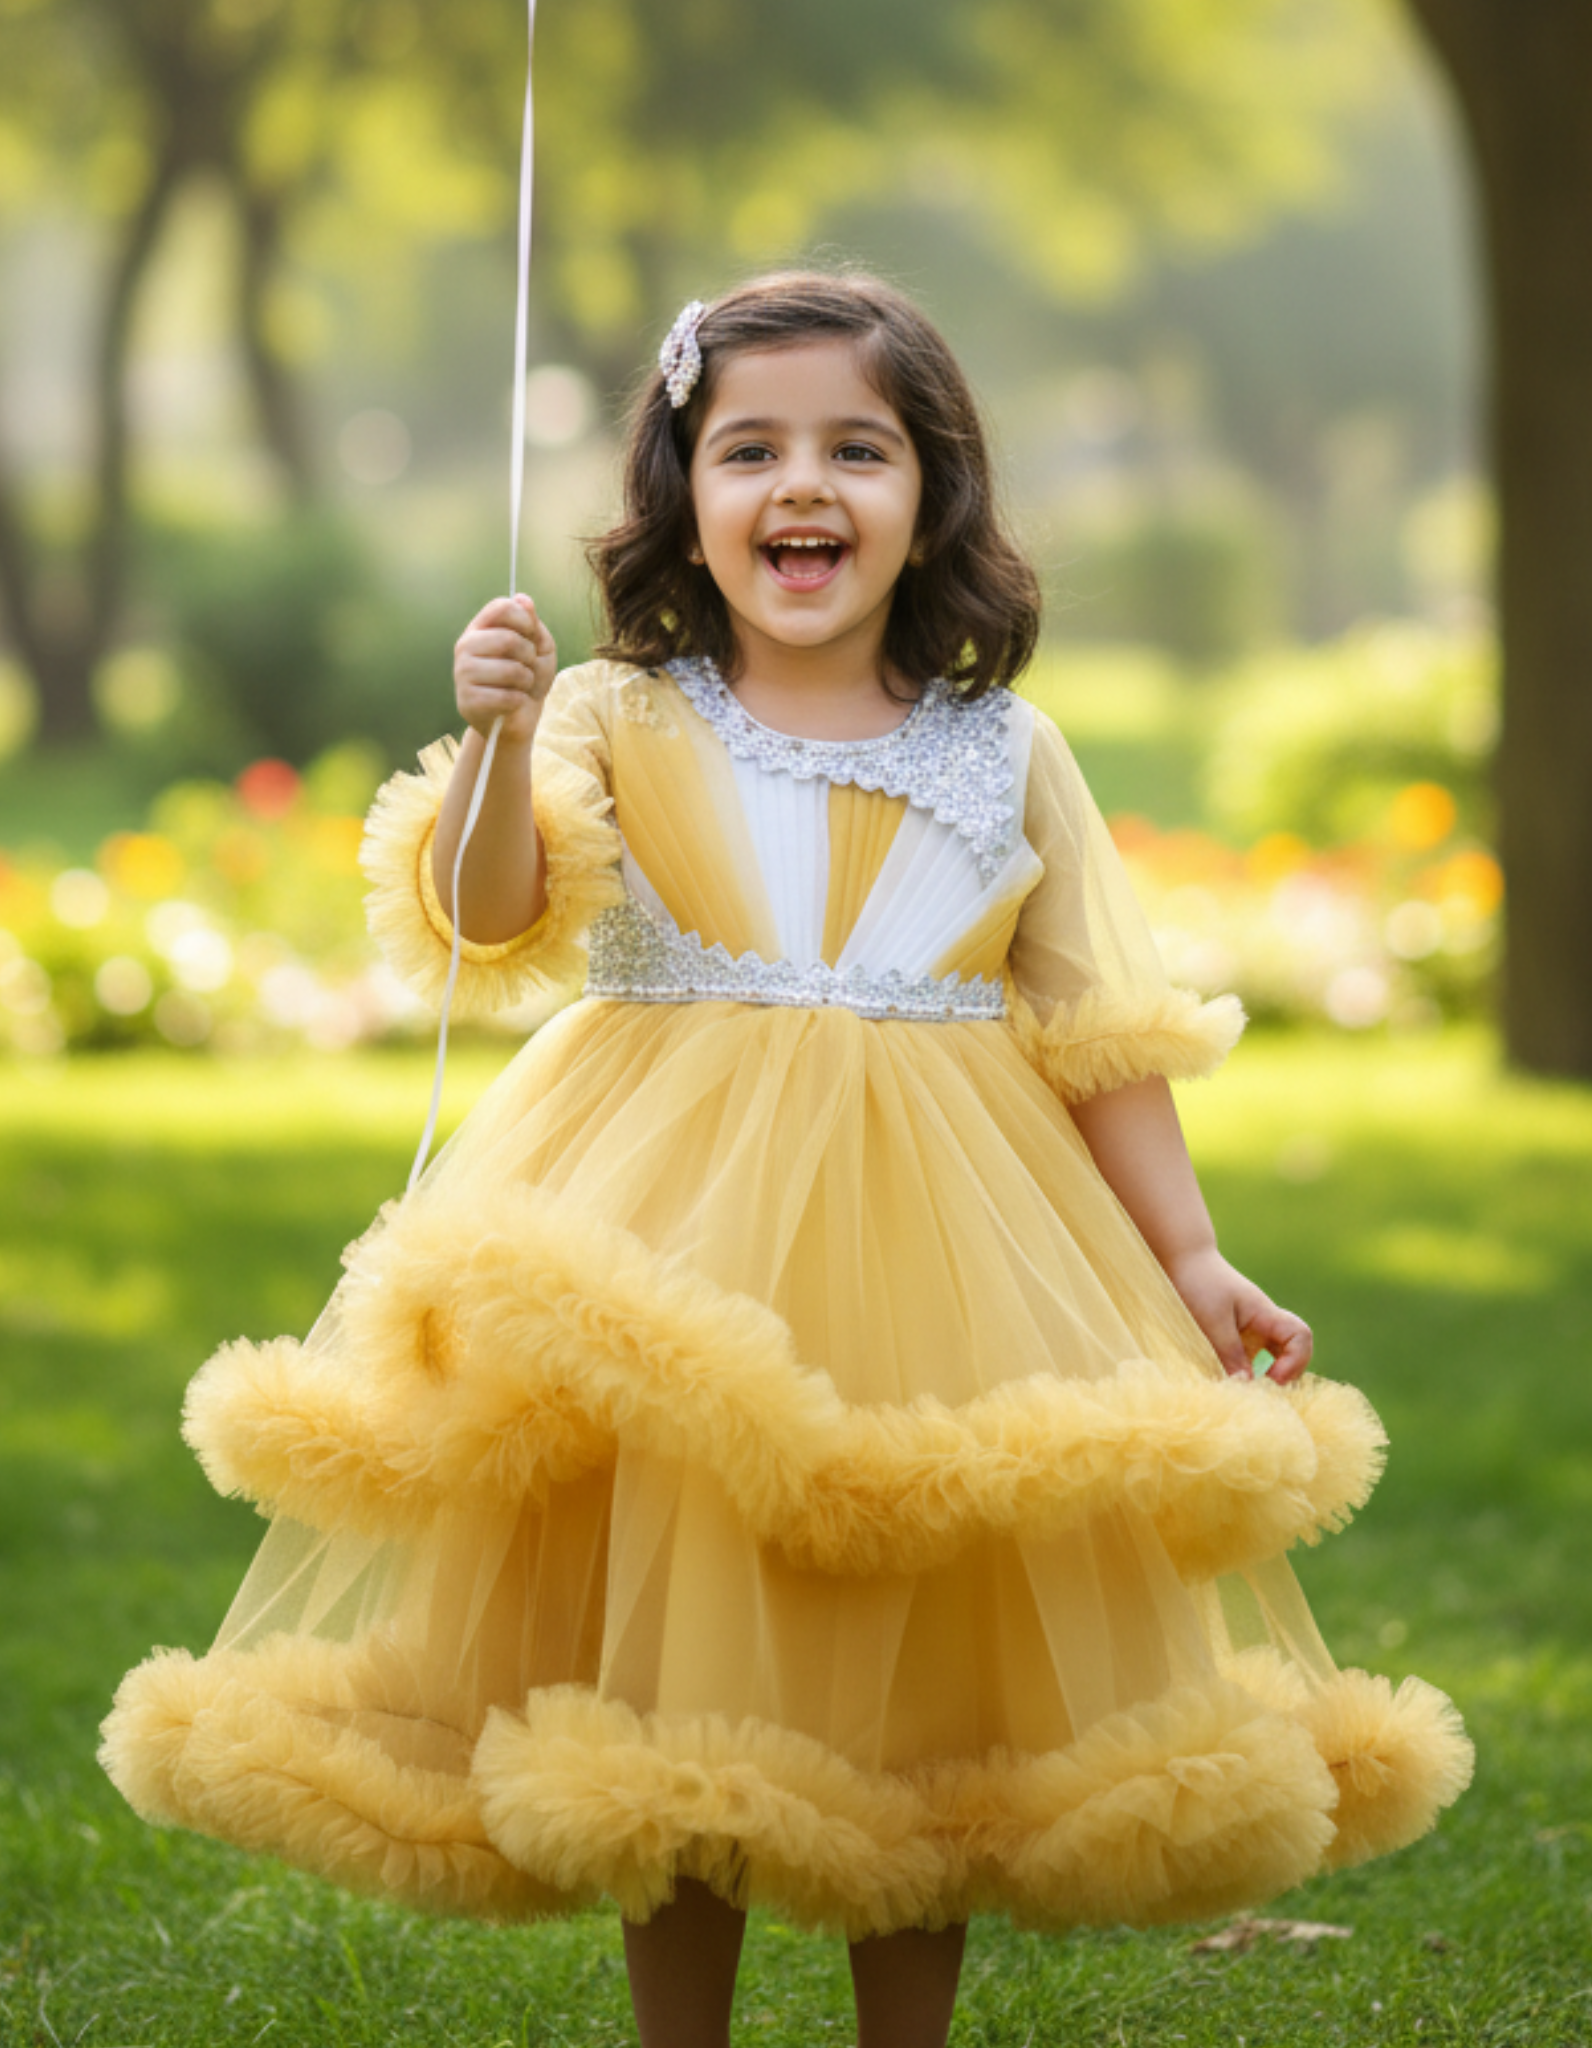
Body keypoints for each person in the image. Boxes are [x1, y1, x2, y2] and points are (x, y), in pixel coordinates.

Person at [101, 270, 1473, 2048]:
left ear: (934, 497)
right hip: (670, 1240)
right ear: (686, 498)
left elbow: (1097, 1033)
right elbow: (483, 913)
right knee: (689, 1672)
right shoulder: (612, 712)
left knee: (919, 1693)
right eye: (750, 449)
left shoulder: (1006, 750)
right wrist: (503, 736)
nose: (802, 487)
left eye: (858, 450)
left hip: (948, 1253)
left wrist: (1191, 1255)